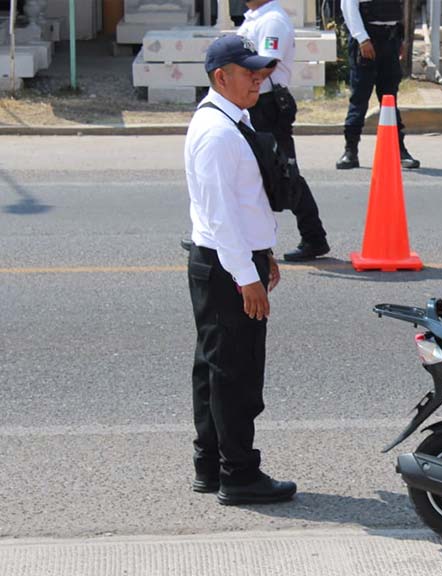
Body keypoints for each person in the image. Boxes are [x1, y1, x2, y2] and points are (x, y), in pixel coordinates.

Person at [185, 35, 297, 506]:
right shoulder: (218, 133)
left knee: (215, 369)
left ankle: (211, 466)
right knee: (236, 374)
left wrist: (263, 251)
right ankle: (239, 475)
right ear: (220, 77)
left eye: (260, 71)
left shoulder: (233, 120)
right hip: (227, 265)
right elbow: (221, 216)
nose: (258, 79)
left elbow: (243, 204)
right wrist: (246, 276)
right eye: (248, 71)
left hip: (232, 259)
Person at [238, 0, 332, 262]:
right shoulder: (254, 17)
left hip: (268, 107)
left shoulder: (273, 20)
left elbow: (268, 63)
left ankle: (314, 238)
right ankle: (239, 236)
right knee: (247, 169)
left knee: (285, 173)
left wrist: (242, 82)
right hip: (254, 103)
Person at [336, 0, 420, 170]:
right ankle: (350, 151)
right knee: (359, 98)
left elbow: (396, 9)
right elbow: (348, 7)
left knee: (389, 99)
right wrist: (362, 39)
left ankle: (399, 150)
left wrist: (400, 39)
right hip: (366, 39)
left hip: (390, 38)